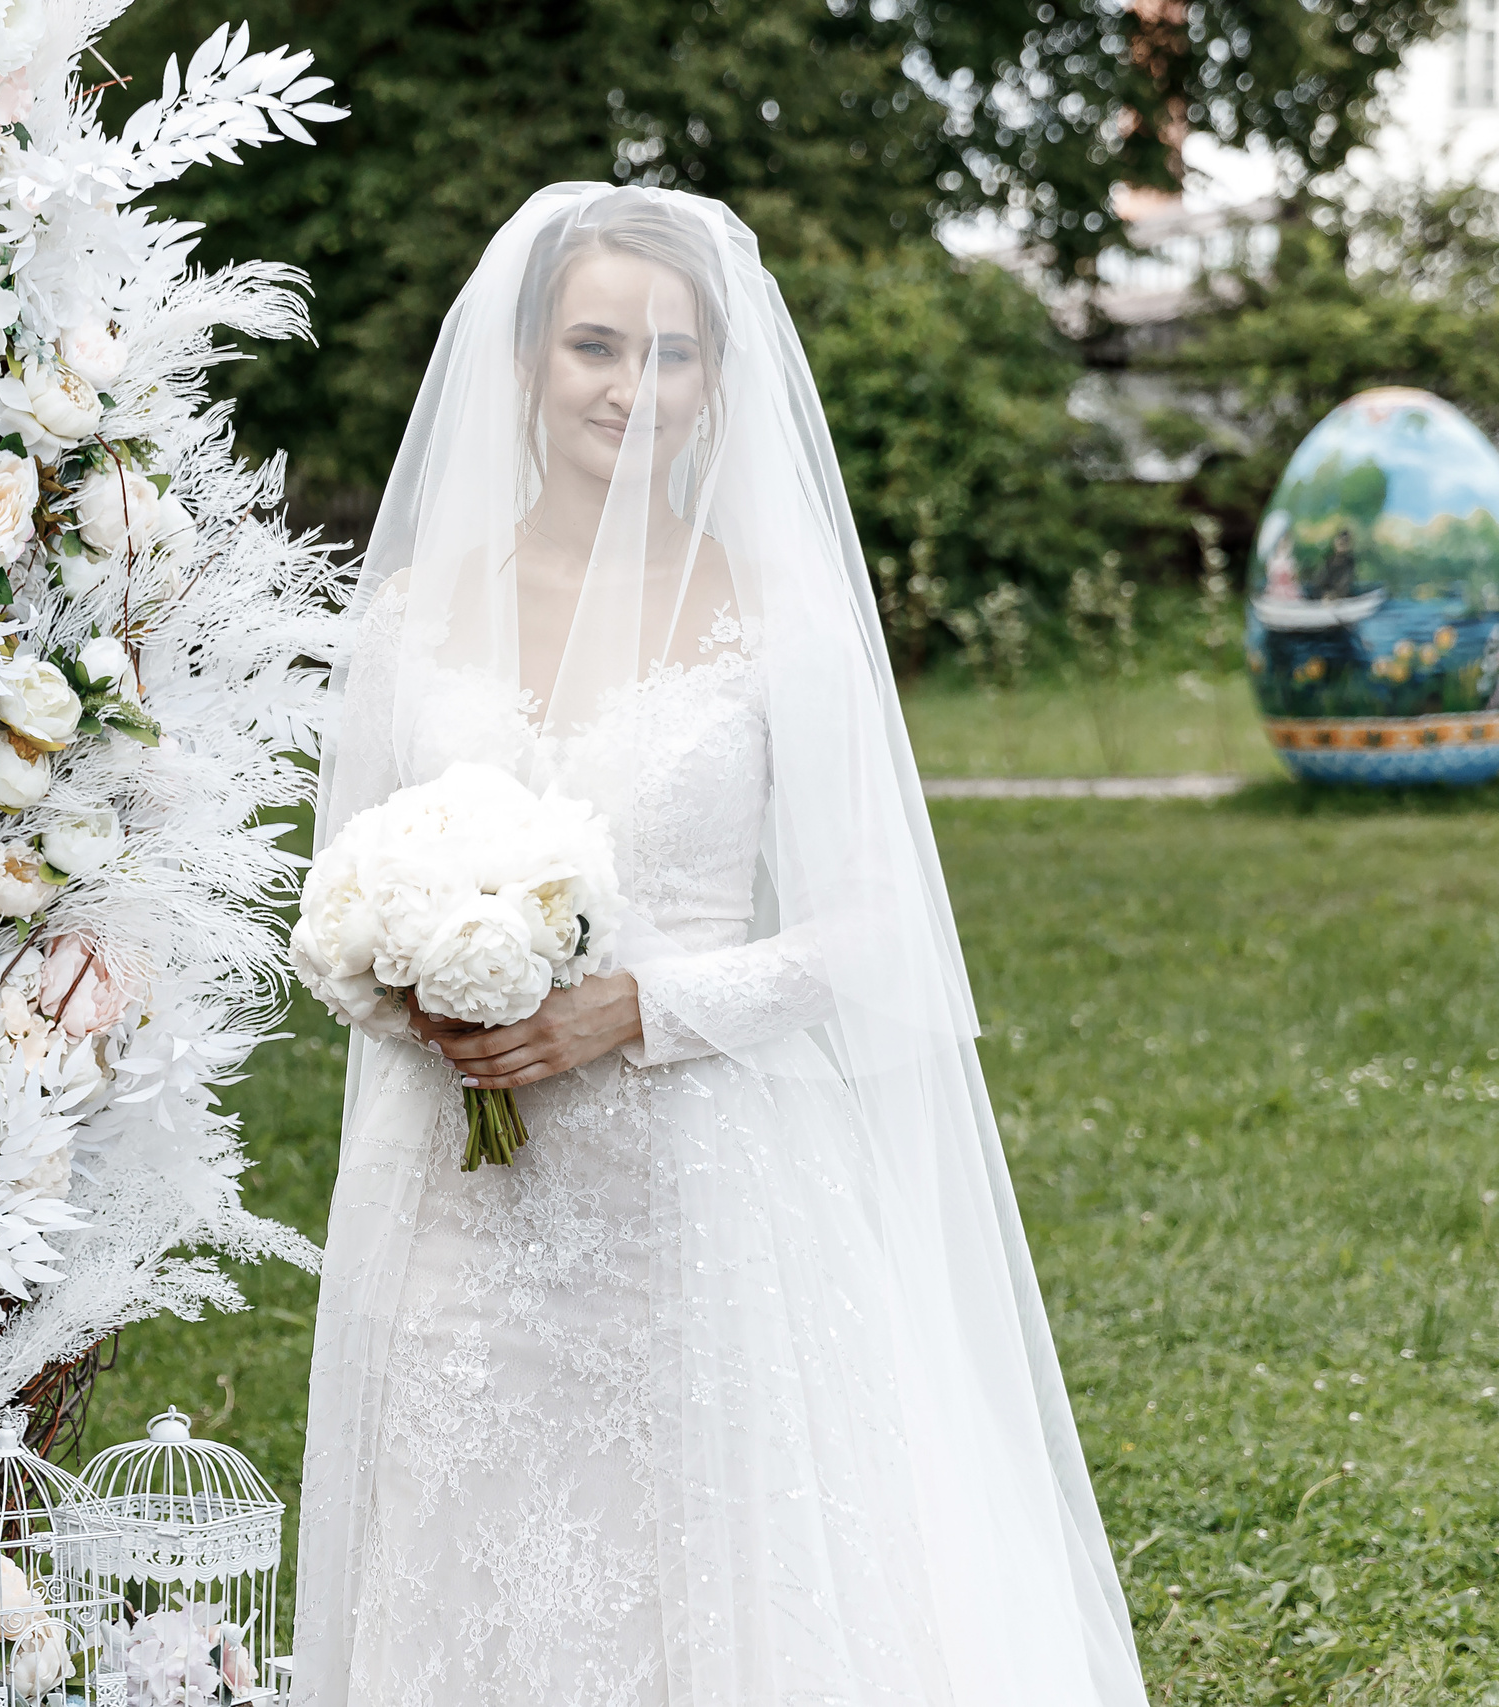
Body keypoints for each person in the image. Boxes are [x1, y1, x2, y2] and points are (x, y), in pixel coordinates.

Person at [294, 185, 1148, 1705]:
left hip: (696, 1197)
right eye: (597, 345)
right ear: (524, 364)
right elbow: (340, 894)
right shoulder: (416, 613)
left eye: (675, 354)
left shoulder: (782, 616)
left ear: (722, 386)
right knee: (465, 1536)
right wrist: (419, 995)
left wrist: (637, 1007)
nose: (633, 387)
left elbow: (884, 922)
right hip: (457, 1204)